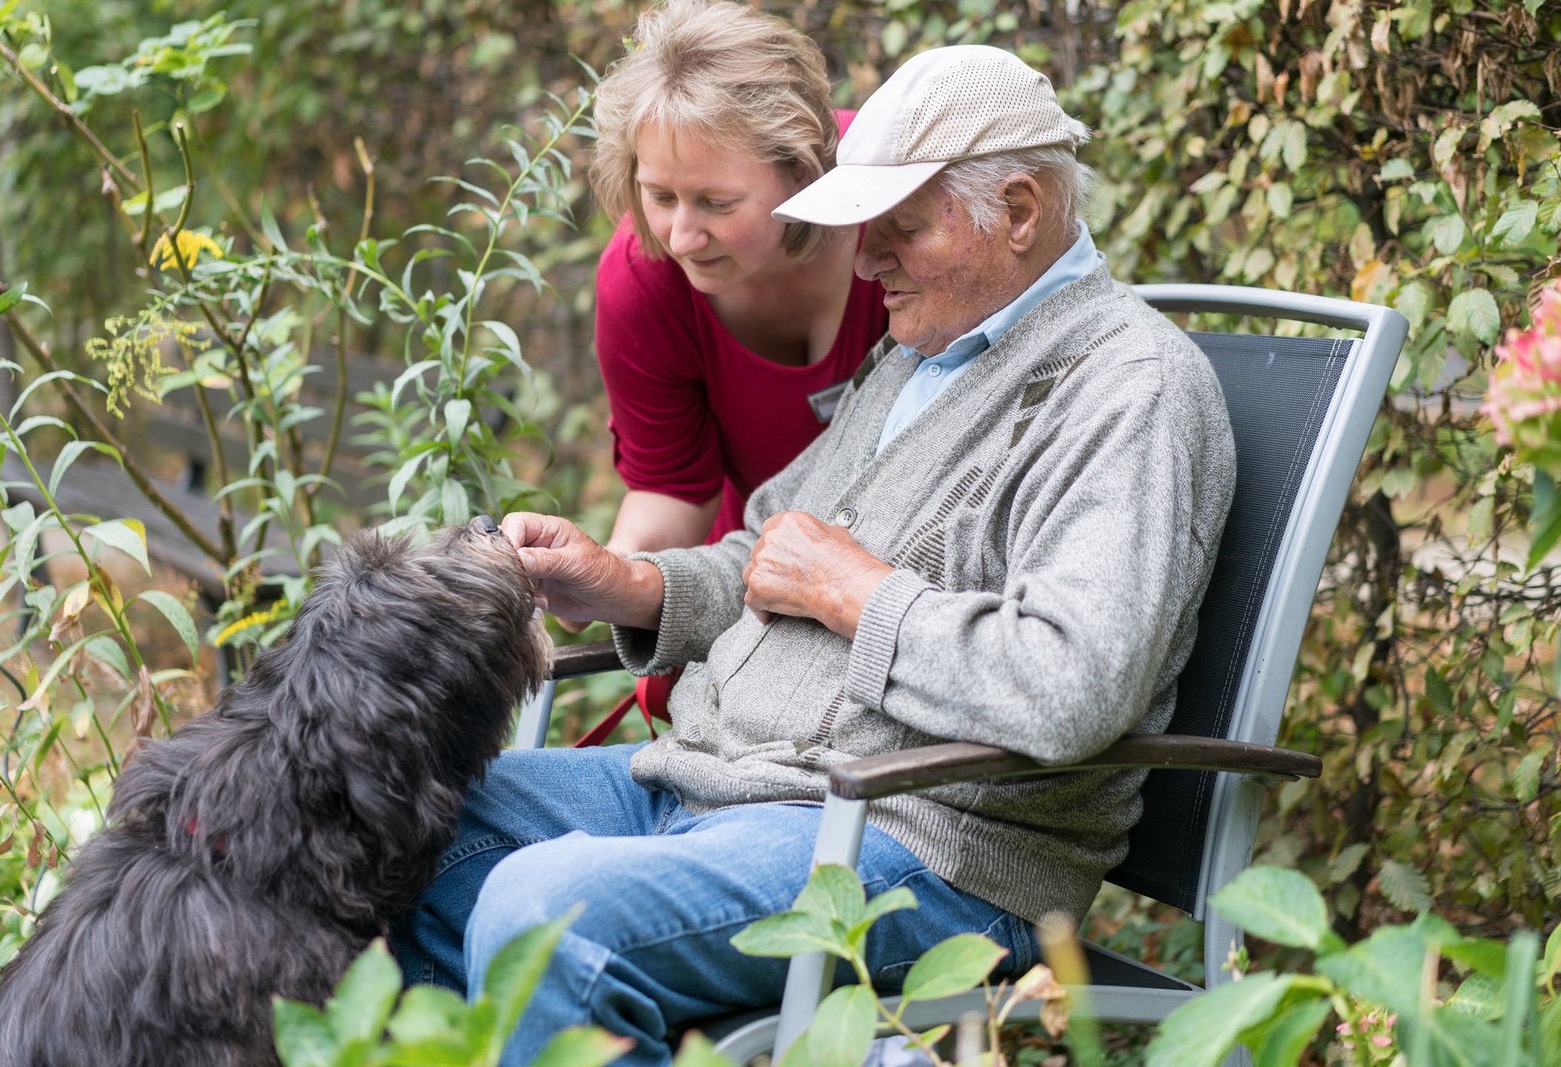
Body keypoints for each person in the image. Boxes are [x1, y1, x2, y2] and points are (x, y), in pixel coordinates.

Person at [390, 45, 1237, 1067]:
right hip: (721, 785)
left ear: (1018, 210)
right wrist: (632, 582)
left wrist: (861, 593)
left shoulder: (1130, 389)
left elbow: (1071, 683)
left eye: (902, 226)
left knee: (541, 908)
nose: (865, 256)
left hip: (911, 839)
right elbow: (772, 552)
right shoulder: (921, 352)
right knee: (395, 825)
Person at [588, 0, 889, 555]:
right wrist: (601, 576)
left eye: (716, 203)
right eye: (659, 196)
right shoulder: (640, 283)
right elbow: (671, 487)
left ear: (801, 168)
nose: (681, 237)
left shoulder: (892, 193)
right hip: (763, 565)